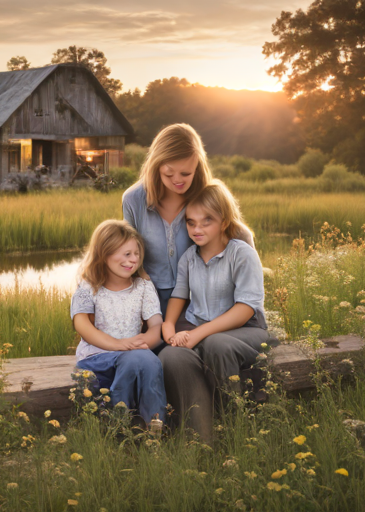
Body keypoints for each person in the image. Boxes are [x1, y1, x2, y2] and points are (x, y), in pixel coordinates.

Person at [122, 123, 255, 440]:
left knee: (185, 355)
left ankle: (210, 432)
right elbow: (129, 256)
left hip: (196, 306)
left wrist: (248, 261)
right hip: (151, 308)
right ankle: (159, 433)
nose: (179, 181)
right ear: (156, 166)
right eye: (170, 174)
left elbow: (235, 231)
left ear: (198, 167)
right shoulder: (134, 200)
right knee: (145, 359)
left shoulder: (203, 196)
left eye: (188, 173)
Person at [162, 180, 274, 392]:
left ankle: (234, 413)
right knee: (170, 354)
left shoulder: (241, 253)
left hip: (247, 330)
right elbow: (179, 295)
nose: (197, 229)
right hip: (200, 329)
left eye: (207, 221)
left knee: (215, 344)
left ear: (224, 222)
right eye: (191, 222)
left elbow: (245, 309)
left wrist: (199, 334)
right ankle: (194, 416)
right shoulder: (188, 258)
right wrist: (168, 326)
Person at [70, 219, 166, 424]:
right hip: (97, 358)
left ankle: (154, 426)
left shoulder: (143, 287)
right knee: (135, 359)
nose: (132, 260)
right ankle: (120, 423)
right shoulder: (89, 286)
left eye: (136, 254)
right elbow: (82, 325)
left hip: (134, 354)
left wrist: (140, 344)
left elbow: (156, 327)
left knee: (146, 360)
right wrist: (120, 345)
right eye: (126, 254)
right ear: (104, 253)